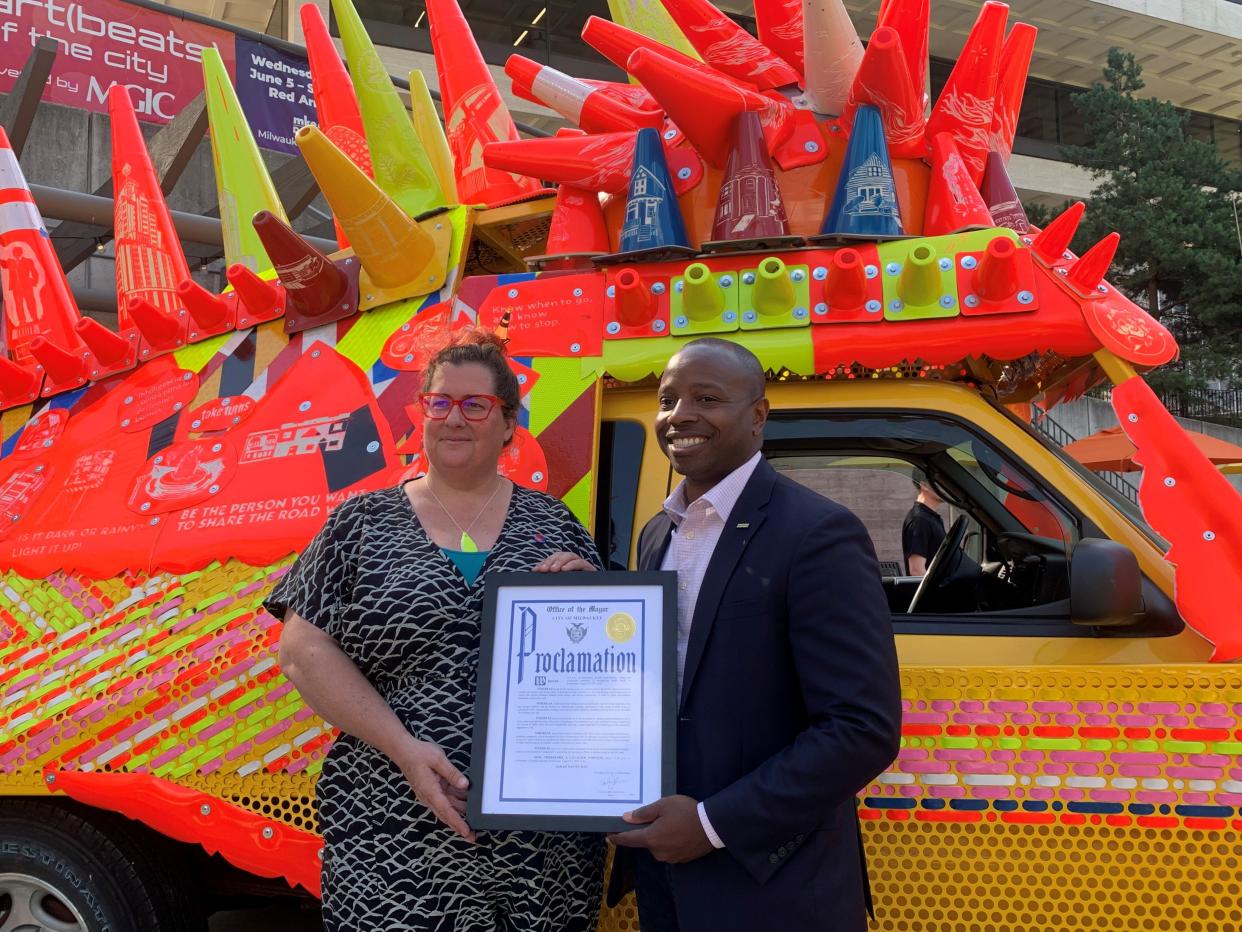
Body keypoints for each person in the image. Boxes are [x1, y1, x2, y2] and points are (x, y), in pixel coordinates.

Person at [265, 330, 605, 932]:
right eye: (440, 402)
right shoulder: (360, 523)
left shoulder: (553, 524)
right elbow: (302, 650)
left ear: (507, 425)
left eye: (476, 405)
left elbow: (609, 675)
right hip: (392, 835)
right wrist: (407, 750)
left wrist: (589, 604)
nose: (455, 418)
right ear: (421, 414)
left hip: (540, 851)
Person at [608, 338, 902, 932]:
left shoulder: (817, 533)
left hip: (774, 884)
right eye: (668, 400)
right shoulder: (656, 537)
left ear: (758, 415)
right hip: (664, 872)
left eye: (707, 398)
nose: (680, 415)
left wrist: (715, 823)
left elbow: (861, 730)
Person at [902, 477, 946, 576]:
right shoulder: (919, 520)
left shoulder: (929, 518)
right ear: (924, 485)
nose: (946, 486)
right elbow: (917, 571)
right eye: (940, 480)